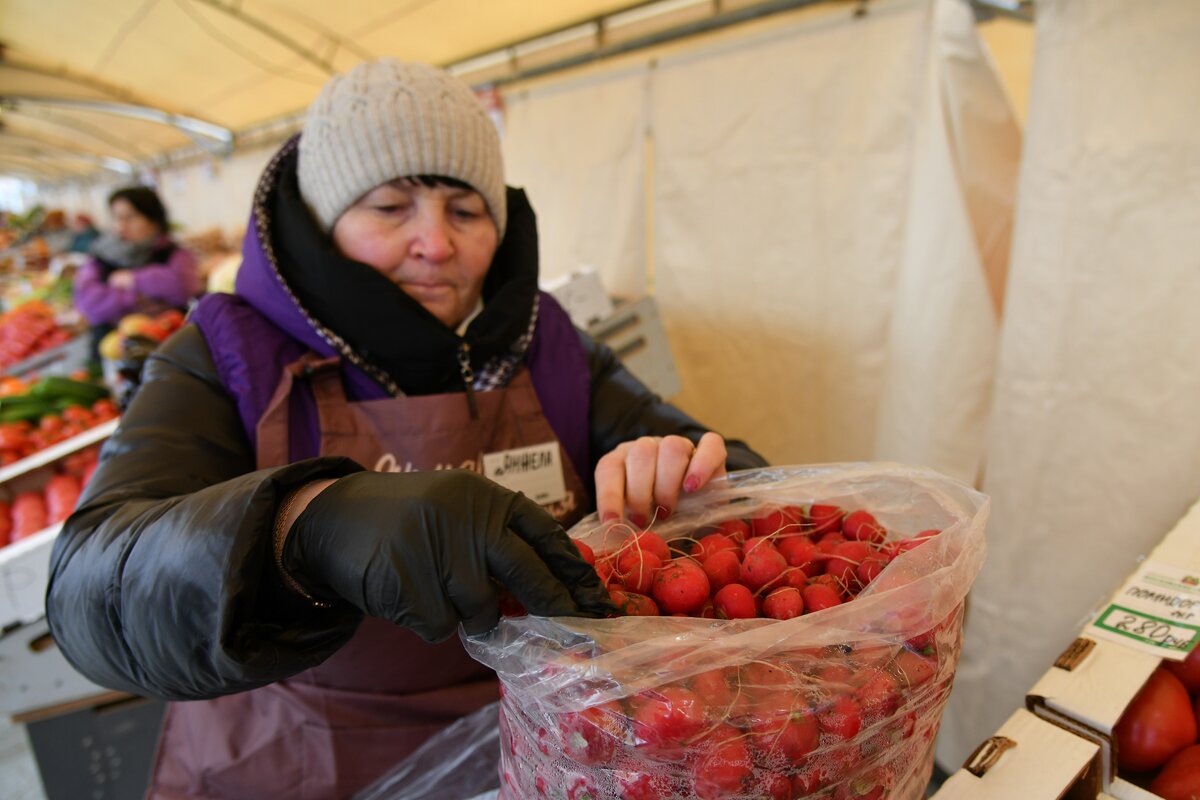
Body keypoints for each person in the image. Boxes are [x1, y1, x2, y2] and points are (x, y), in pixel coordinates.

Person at [46, 60, 766, 799]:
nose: (436, 244)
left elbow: (746, 489)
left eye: (465, 210)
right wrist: (300, 529)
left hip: (556, 744)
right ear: (324, 224)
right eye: (391, 207)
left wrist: (690, 471)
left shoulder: (548, 346)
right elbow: (89, 594)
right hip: (314, 758)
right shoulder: (225, 358)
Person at [73, 186, 201, 360]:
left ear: (153, 219)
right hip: (116, 354)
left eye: (130, 217)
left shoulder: (174, 253)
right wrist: (134, 298)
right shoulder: (100, 257)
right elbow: (87, 303)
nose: (122, 226)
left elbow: (185, 287)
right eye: (117, 218)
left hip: (171, 350)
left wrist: (134, 279)